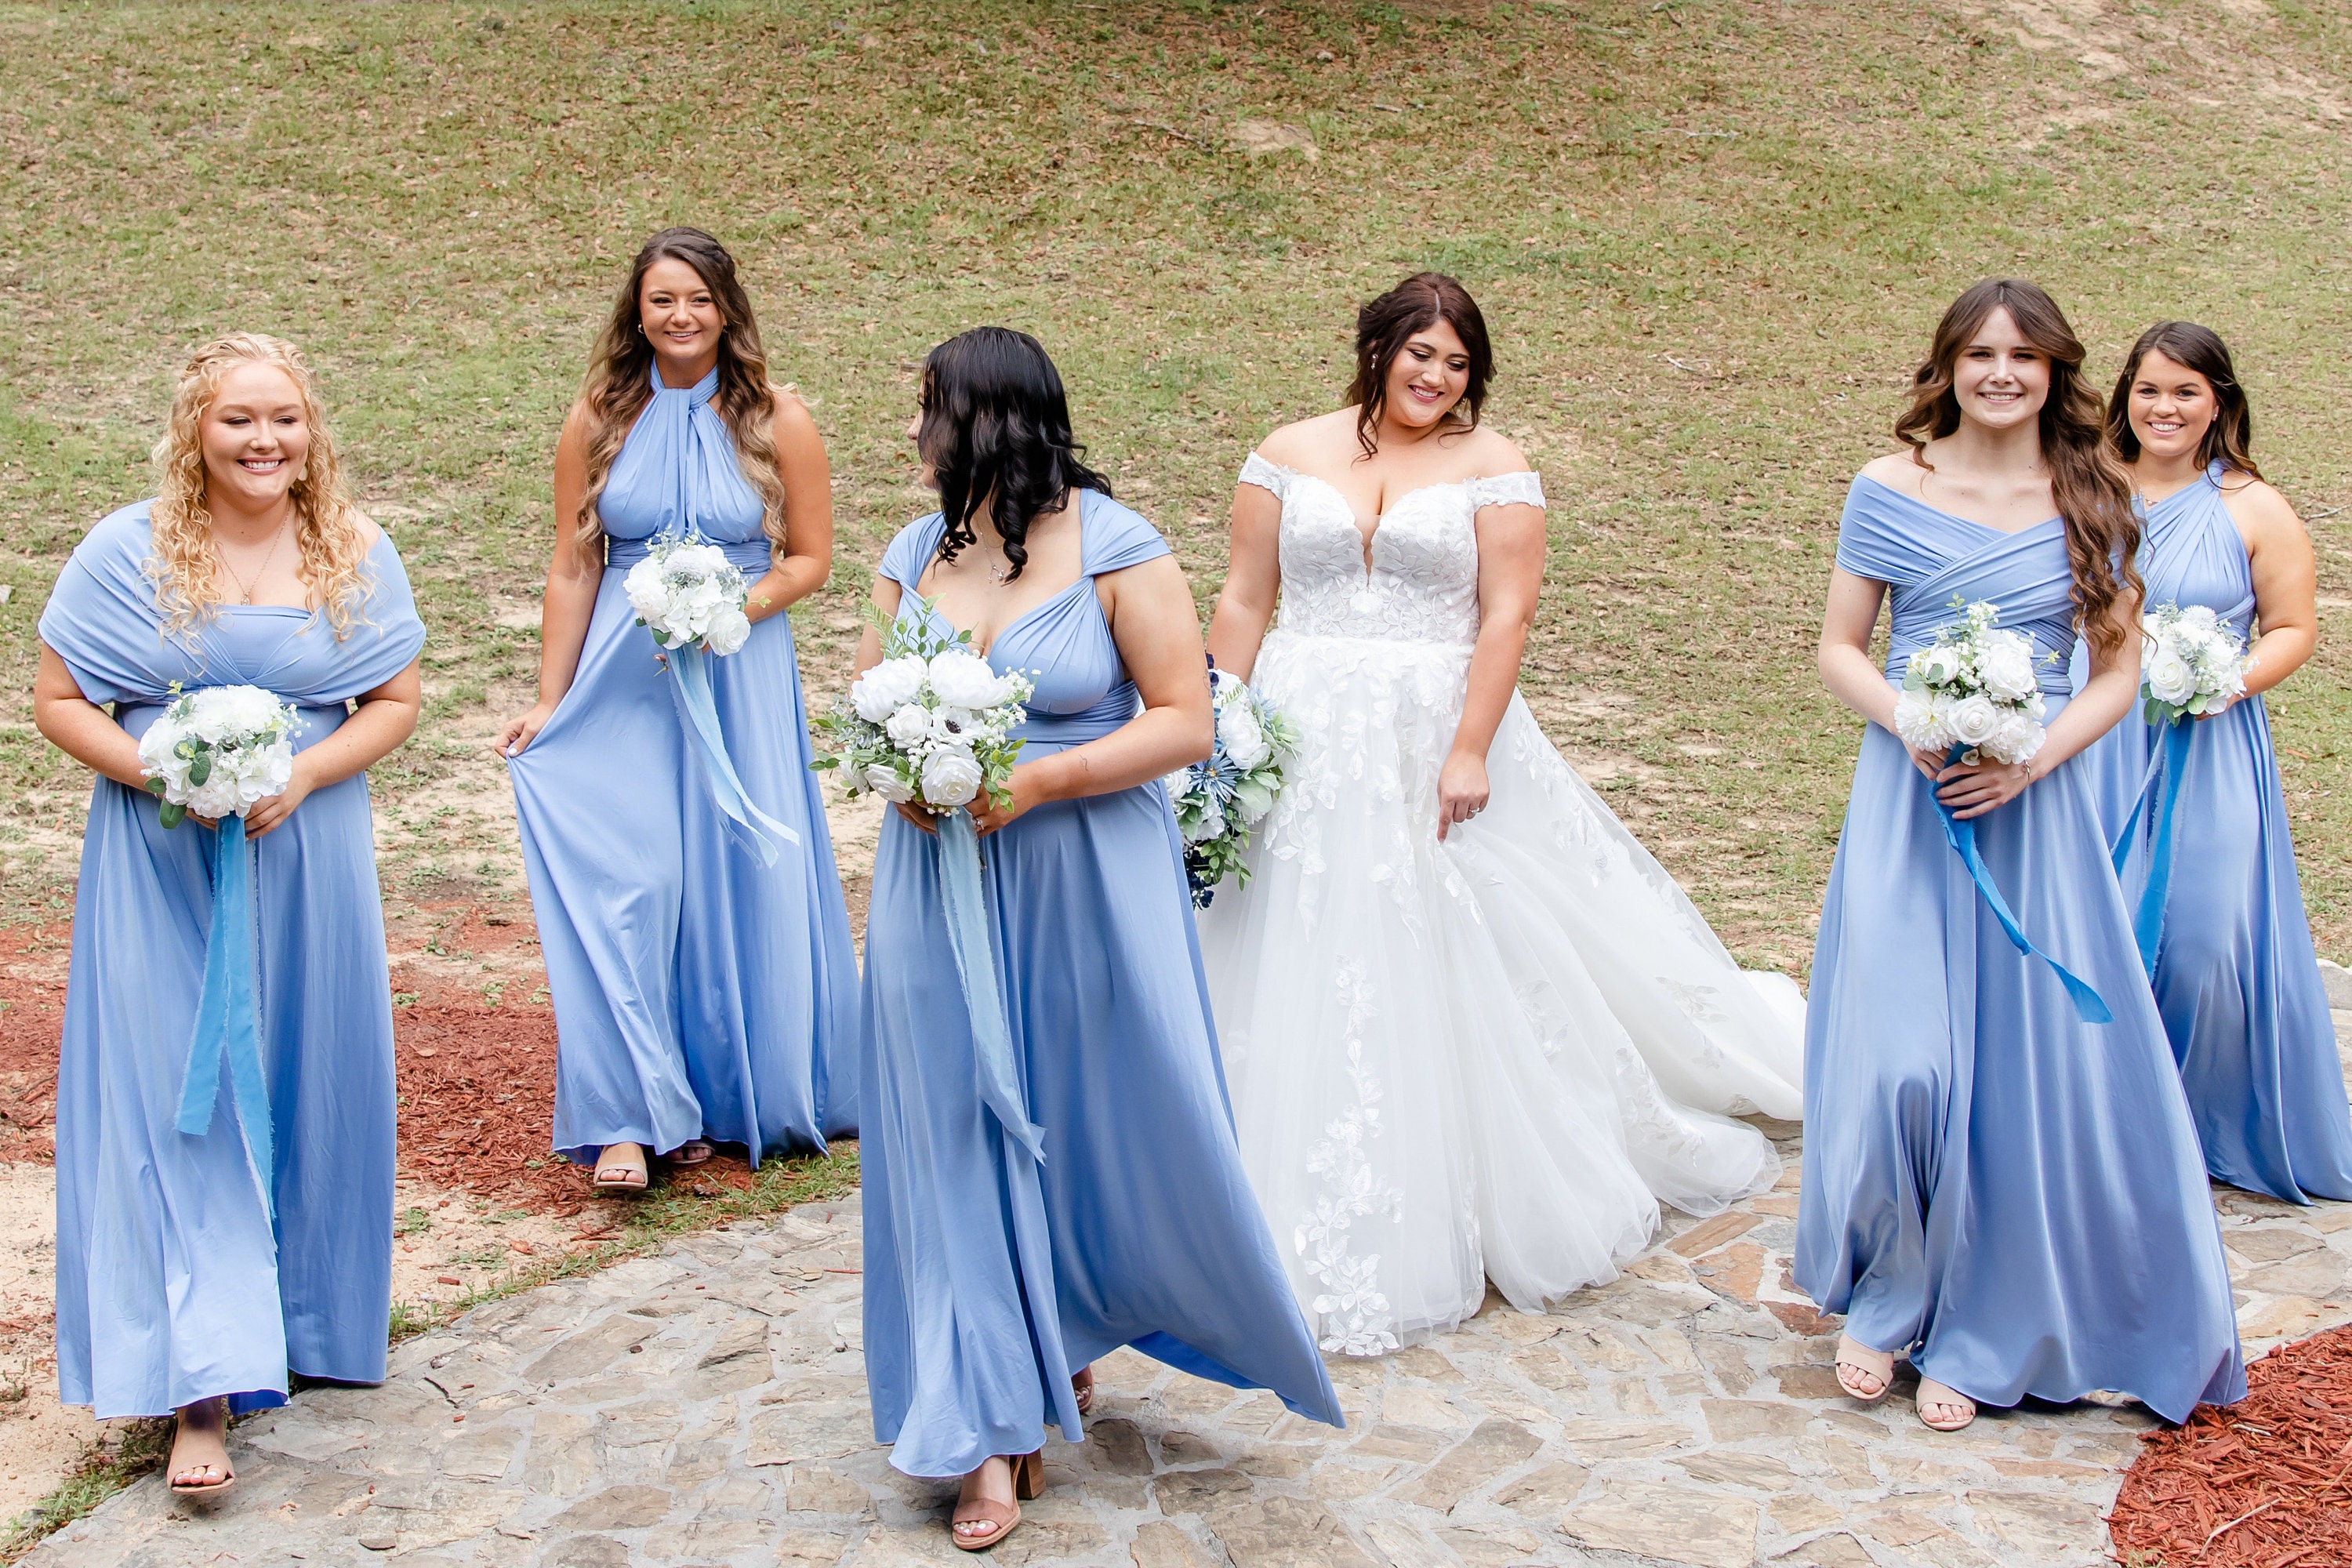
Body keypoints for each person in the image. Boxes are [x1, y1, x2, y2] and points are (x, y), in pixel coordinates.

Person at [1196, 272, 1804, 1356]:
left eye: (1457, 363)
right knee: (1286, 922)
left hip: (1431, 721)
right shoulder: (1288, 451)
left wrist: (1469, 745)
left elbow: (1506, 614)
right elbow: (1246, 595)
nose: (1434, 377)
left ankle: (1470, 1171)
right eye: (1418, 354)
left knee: (1441, 927)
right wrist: (1216, 724)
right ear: (1376, 347)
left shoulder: (1495, 467)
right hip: (1305, 719)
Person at [856, 327, 1341, 1552]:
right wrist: (905, 776)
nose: (913, 434)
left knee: (1075, 1113)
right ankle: (988, 1429)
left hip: (1080, 871)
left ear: (989, 420)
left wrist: (1044, 780)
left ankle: (1056, 1329)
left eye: (928, 410)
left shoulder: (1121, 552)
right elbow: (866, 706)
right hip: (938, 876)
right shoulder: (913, 554)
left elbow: (1185, 721)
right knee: (955, 1119)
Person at [1798, 278, 2243, 1432]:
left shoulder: (2091, 491)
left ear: (2054, 372)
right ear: (1946, 367)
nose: (2002, 373)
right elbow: (1841, 647)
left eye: (2025, 357)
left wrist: (2032, 755)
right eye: (1980, 354)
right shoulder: (1886, 490)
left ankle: (1988, 1325)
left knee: (2013, 1086)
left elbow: (2114, 671)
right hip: (1910, 800)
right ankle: (1889, 1295)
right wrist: (1908, 716)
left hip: (2032, 812)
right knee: (1905, 1069)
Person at [34, 333, 425, 1494]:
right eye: (238, 420)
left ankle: (302, 1322)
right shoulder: (128, 549)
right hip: (158, 864)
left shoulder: (353, 549)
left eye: (285, 420)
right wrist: (159, 771)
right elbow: (60, 700)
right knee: (177, 1100)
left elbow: (394, 701)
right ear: (193, 431)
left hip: (307, 852)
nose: (264, 442)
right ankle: (199, 1382)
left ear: (315, 435)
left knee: (309, 1070)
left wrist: (303, 776)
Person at [498, 227, 858, 1191]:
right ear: (638, 311)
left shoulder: (778, 416)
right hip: (626, 675)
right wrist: (550, 698)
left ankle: (741, 1093)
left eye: (698, 298)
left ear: (727, 308)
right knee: (632, 880)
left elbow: (810, 558)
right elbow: (575, 562)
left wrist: (725, 610)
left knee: (741, 872)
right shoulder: (598, 418)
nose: (682, 316)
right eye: (663, 300)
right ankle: (627, 1111)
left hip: (739, 669)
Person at [2068, 322, 2351, 1202]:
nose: (2166, 407)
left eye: (2187, 391)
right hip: (2097, 737)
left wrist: (2223, 680)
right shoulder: (2085, 488)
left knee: (2203, 938)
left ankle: (2205, 1119)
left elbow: (2295, 628)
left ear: (2218, 402)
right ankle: (2106, 1128)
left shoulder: (2254, 507)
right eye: (2150, 389)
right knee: (2095, 924)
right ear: (2126, 395)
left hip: (2209, 738)